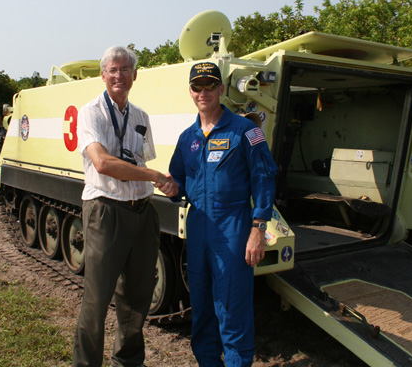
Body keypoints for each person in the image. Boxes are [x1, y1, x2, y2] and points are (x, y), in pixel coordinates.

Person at [158, 62, 278, 367]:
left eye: (210, 86)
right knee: (202, 313)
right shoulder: (188, 138)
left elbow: (264, 179)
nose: (203, 93)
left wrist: (258, 229)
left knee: (233, 312)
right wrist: (172, 190)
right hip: (198, 230)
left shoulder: (245, 131)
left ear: (221, 90)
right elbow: (179, 180)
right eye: (197, 87)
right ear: (190, 92)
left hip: (233, 231)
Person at [73, 46, 176, 367]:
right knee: (97, 299)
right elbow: (102, 163)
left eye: (125, 70)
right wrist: (155, 176)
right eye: (113, 70)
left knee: (138, 295)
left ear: (134, 75)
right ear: (103, 75)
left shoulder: (141, 116)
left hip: (142, 211)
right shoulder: (91, 113)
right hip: (106, 210)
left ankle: (128, 360)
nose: (119, 76)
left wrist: (166, 179)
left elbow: (140, 158)